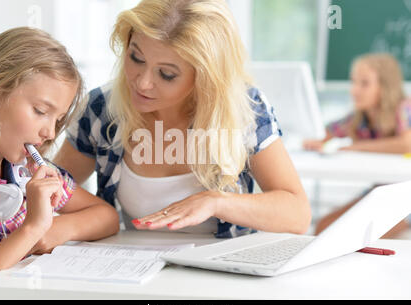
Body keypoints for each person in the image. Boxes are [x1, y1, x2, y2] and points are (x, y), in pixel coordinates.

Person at [55, 0, 311, 238]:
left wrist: (217, 202)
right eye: (136, 58)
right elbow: (53, 190)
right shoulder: (102, 108)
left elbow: (297, 214)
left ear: (205, 78)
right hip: (134, 273)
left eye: (166, 74)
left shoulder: (244, 110)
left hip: (223, 279)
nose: (142, 83)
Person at [0, 27, 119, 299]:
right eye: (40, 112)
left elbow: (107, 217)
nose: (50, 133)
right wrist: (32, 229)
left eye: (57, 120)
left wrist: (52, 230)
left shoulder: (27, 169)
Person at [303, 53, 411, 236]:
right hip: (382, 190)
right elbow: (327, 133)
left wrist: (353, 147)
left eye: (364, 83)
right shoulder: (359, 118)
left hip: (406, 199)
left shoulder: (404, 109)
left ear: (385, 87)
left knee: (352, 235)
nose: (354, 90)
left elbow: (406, 144)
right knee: (323, 226)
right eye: (353, 82)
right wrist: (318, 142)